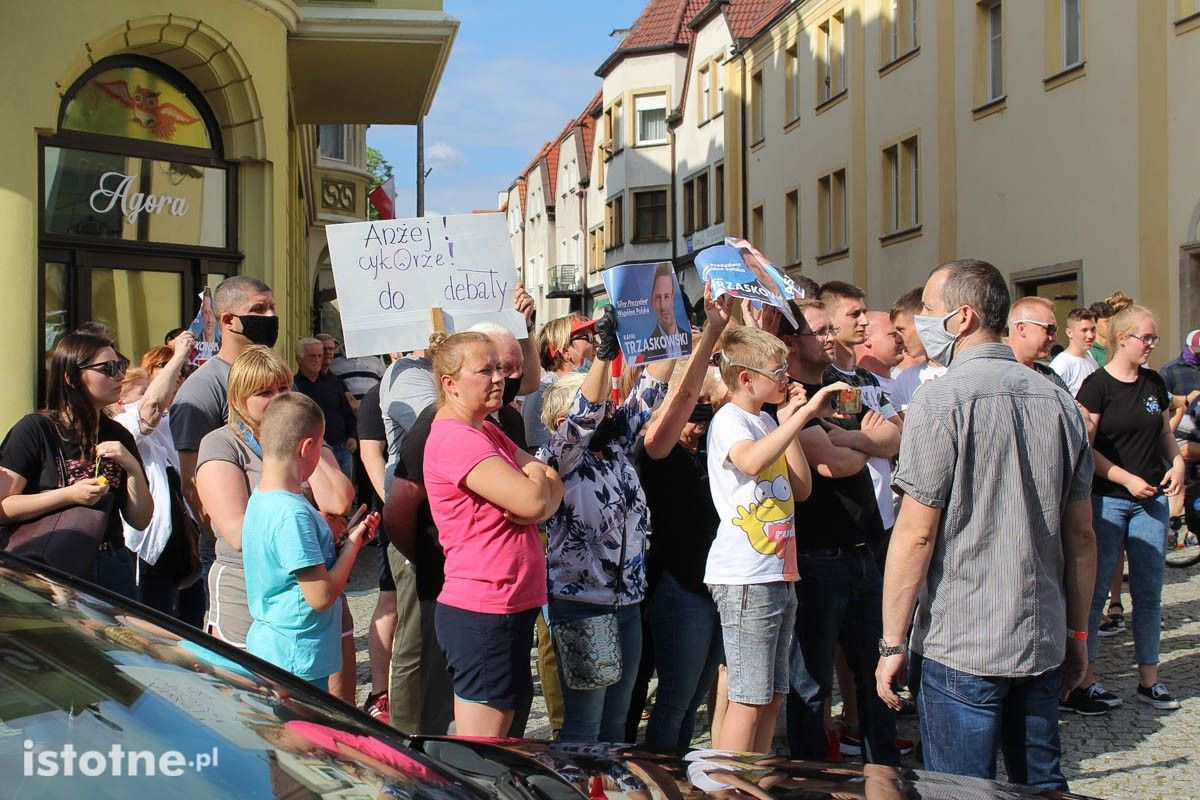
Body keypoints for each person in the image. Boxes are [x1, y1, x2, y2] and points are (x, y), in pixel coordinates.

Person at [875, 259, 1096, 791]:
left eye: (928, 309)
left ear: (962, 317)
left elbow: (915, 532)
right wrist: (1078, 632)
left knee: (958, 789)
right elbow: (1082, 537)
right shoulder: (1059, 402)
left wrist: (890, 643)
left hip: (963, 639)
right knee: (1039, 784)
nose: (920, 321)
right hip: (1038, 632)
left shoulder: (940, 399)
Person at [537, 306, 676, 743]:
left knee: (617, 726)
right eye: (601, 406)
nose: (611, 410)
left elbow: (652, 388)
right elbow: (584, 418)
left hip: (628, 602)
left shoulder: (614, 447)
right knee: (585, 726)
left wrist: (670, 328)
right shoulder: (560, 457)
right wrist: (603, 355)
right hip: (584, 603)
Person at [704, 325, 844, 753]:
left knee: (773, 695)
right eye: (777, 370)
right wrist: (801, 417)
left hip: (778, 570)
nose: (787, 377)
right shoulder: (730, 418)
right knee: (748, 698)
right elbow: (749, 460)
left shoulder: (765, 419)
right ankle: (728, 786)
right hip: (744, 575)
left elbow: (801, 489)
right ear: (746, 378)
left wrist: (787, 424)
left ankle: (755, 781)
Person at [423, 331, 564, 737]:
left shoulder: (485, 429)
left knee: (504, 742)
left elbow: (549, 483)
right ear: (450, 384)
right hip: (485, 607)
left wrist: (538, 481)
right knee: (483, 749)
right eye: (484, 370)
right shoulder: (456, 437)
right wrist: (538, 486)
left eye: (499, 368)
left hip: (508, 602)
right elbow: (536, 502)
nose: (498, 378)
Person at [195, 347, 355, 694]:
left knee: (333, 708)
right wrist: (312, 523)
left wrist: (304, 441)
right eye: (264, 392)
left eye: (284, 388)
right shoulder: (222, 445)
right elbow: (237, 533)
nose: (277, 399)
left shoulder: (306, 438)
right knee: (258, 709)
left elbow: (340, 501)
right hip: (252, 591)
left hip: (317, 586)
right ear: (238, 398)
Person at [779, 300, 898, 766]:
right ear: (792, 342)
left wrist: (852, 440)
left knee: (876, 675)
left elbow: (895, 437)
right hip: (816, 556)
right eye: (819, 331)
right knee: (810, 684)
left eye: (832, 328)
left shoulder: (840, 387)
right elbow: (830, 464)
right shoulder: (789, 398)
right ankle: (811, 777)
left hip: (864, 548)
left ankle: (883, 772)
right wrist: (863, 442)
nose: (830, 338)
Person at [1073, 304, 1185, 712]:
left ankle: (1149, 680)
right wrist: (1124, 478)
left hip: (1150, 500)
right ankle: (1085, 680)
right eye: (1146, 338)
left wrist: (1176, 462)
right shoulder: (1096, 386)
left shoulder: (1154, 384)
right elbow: (1088, 447)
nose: (1152, 345)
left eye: (1154, 338)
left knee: (1149, 591)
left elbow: (1162, 434)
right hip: (1108, 501)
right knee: (1096, 592)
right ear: (1123, 339)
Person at [635, 287, 732, 750]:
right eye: (696, 413)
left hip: (711, 582)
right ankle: (660, 777)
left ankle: (674, 773)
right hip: (678, 586)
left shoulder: (706, 451)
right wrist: (708, 335)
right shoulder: (658, 451)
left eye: (708, 414)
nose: (701, 422)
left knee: (693, 699)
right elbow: (681, 399)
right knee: (674, 699)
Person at [242, 392, 379, 692]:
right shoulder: (292, 514)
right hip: (295, 656)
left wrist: (336, 546)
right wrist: (353, 547)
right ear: (307, 447)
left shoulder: (262, 499)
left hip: (275, 646)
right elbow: (320, 596)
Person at [0, 332, 153, 597]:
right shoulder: (36, 429)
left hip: (111, 562)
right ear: (71, 378)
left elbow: (140, 520)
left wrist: (132, 468)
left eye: (120, 365)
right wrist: (69, 495)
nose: (119, 375)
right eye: (108, 368)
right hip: (48, 566)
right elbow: (2, 506)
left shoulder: (118, 435)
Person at [170, 275, 277, 598]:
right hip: (237, 552)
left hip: (280, 540)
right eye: (259, 309)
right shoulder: (203, 388)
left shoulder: (277, 378)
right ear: (228, 320)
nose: (271, 317)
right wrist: (227, 537)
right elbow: (191, 482)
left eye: (272, 307)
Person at [111, 333, 201, 620]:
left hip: (183, 550)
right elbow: (150, 408)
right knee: (157, 623)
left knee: (192, 620)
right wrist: (178, 357)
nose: (151, 397)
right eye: (140, 393)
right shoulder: (122, 425)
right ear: (121, 401)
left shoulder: (166, 425)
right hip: (149, 553)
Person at [523, 314, 597, 450]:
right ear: (565, 351)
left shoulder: (596, 386)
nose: (597, 344)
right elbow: (537, 452)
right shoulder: (541, 393)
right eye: (589, 338)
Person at [293, 337, 358, 482]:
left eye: (319, 356)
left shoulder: (335, 383)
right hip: (312, 452)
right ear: (299, 359)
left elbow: (347, 414)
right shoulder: (294, 387)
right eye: (312, 356)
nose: (317, 360)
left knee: (345, 495)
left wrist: (353, 436)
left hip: (342, 448)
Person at [889, 288, 946, 412]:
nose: (897, 339)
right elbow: (902, 428)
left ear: (923, 323)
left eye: (901, 330)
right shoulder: (904, 379)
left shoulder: (963, 370)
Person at [640, 263, 688, 361]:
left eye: (666, 296)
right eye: (658, 298)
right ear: (651, 302)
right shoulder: (645, 350)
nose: (663, 306)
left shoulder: (691, 341)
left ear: (673, 299)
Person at [1050, 309, 1100, 395]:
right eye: (1084, 330)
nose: (1090, 335)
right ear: (1069, 333)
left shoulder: (1093, 363)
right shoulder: (1060, 365)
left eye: (1093, 330)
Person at [1088, 290, 1134, 366]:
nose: (1111, 325)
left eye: (1112, 321)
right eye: (1106, 322)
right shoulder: (1089, 353)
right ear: (1094, 323)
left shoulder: (1118, 349)